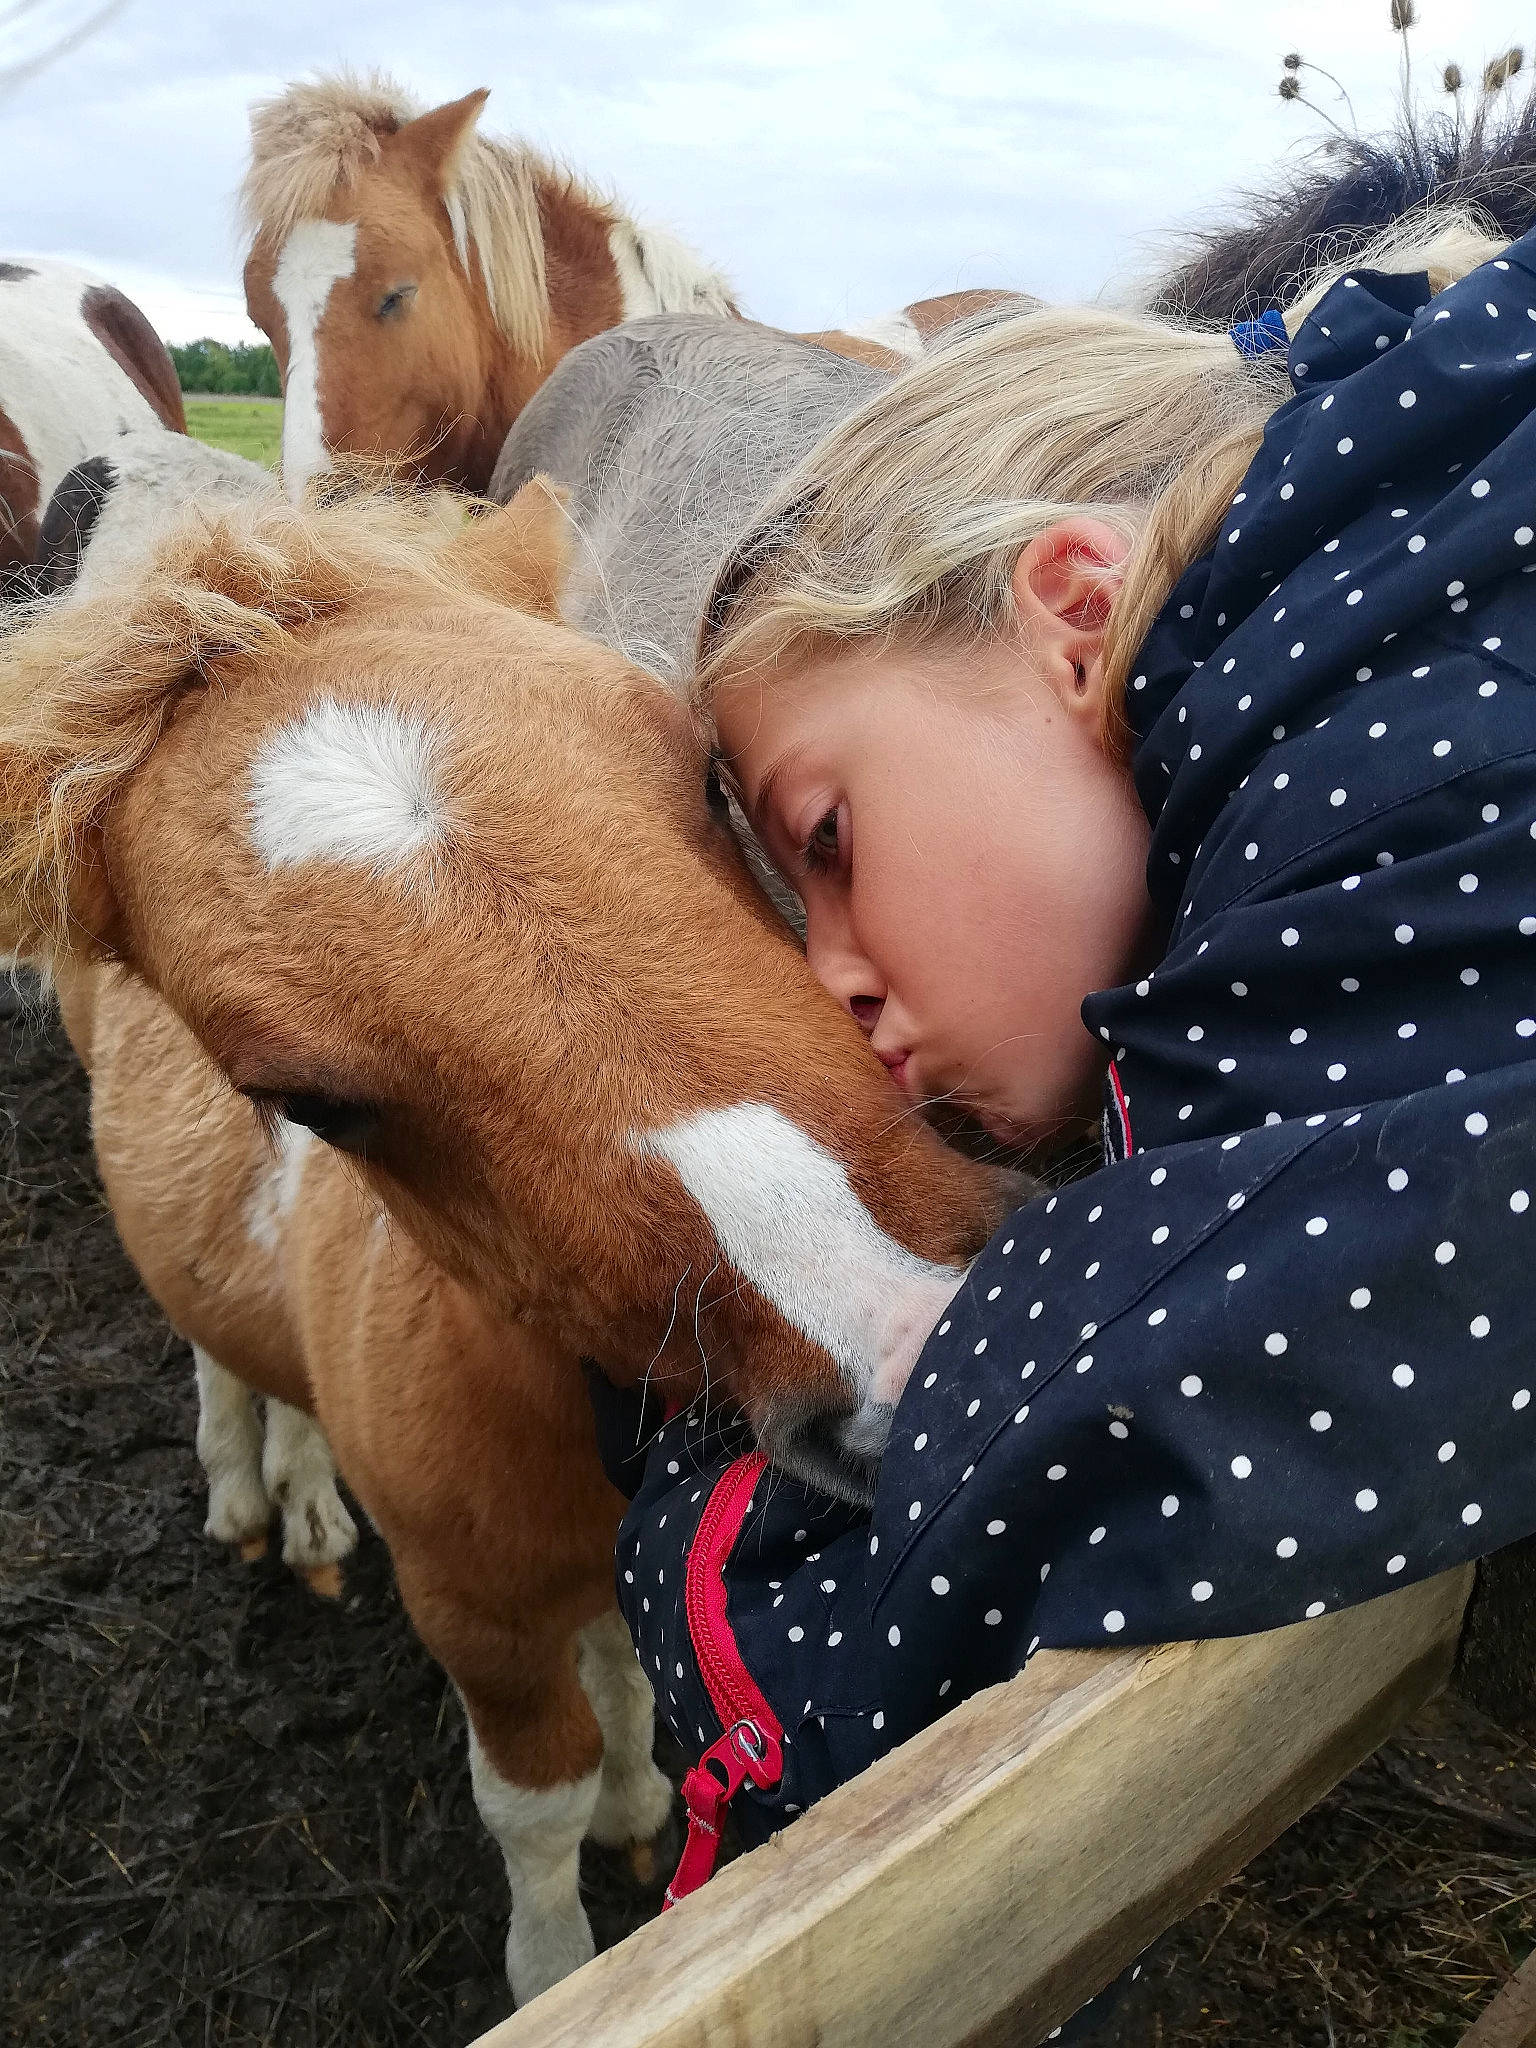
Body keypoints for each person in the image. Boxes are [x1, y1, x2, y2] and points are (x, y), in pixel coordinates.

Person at [604, 214, 1536, 1888]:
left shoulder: (1409, 766)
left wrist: (703, 1570)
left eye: (826, 837)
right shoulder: (1417, 561)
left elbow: (1152, 1391)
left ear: (1080, 609)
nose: (832, 982)